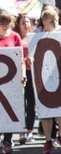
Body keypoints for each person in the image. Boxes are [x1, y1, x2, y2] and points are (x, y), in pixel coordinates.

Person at [38, 7, 61, 154]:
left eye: (56, 19)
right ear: (44, 23)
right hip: (43, 77)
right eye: (52, 21)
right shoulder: (37, 36)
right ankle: (47, 140)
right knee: (46, 110)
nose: (55, 22)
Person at [0, 10, 25, 154]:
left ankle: (8, 141)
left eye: (7, 22)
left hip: (10, 79)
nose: (5, 25)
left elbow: (20, 58)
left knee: (9, 110)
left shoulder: (15, 36)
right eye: (2, 22)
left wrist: (22, 74)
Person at [13, 13, 36, 145]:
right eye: (23, 23)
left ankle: (29, 131)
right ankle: (21, 131)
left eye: (28, 22)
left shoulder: (34, 37)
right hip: (20, 74)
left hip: (32, 72)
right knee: (21, 103)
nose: (26, 25)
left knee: (31, 103)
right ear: (18, 25)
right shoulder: (16, 38)